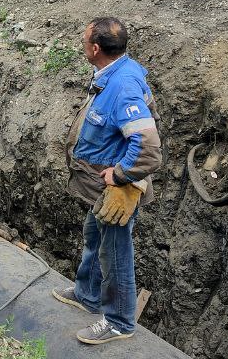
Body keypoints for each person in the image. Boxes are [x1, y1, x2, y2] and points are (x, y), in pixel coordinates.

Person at [53, 17, 163, 346]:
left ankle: (118, 321)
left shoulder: (123, 85)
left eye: (84, 40)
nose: (82, 44)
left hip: (114, 189)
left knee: (114, 252)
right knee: (93, 235)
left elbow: (147, 148)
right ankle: (87, 293)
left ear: (96, 48)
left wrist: (122, 177)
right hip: (98, 189)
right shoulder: (115, 72)